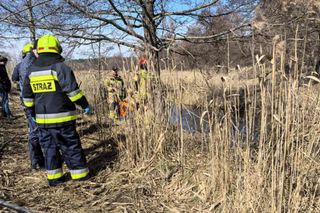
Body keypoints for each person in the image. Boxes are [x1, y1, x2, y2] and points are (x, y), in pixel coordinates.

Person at [22, 34, 92, 186]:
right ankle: (80, 176)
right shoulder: (60, 67)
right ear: (58, 49)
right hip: (64, 118)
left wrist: (33, 113)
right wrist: (85, 105)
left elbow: (27, 98)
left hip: (43, 121)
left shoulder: (31, 70)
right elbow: (73, 93)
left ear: (38, 50)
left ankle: (55, 179)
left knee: (49, 149)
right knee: (70, 146)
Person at [12, 42, 45, 170]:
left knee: (33, 129)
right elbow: (29, 84)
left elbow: (14, 78)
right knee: (35, 131)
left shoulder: (21, 64)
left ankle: (37, 159)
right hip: (31, 103)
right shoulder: (30, 63)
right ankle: (37, 161)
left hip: (27, 101)